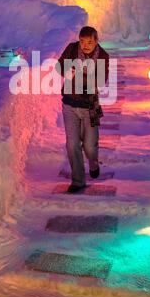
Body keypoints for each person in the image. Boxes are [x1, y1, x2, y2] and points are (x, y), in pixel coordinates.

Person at [55, 26, 110, 193]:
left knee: (89, 146)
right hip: (69, 104)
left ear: (96, 41)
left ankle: (93, 163)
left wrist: (75, 76)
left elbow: (100, 81)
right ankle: (78, 180)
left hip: (89, 107)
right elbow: (59, 67)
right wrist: (68, 73)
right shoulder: (72, 49)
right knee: (72, 144)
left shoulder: (103, 56)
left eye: (89, 42)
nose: (85, 45)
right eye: (82, 41)